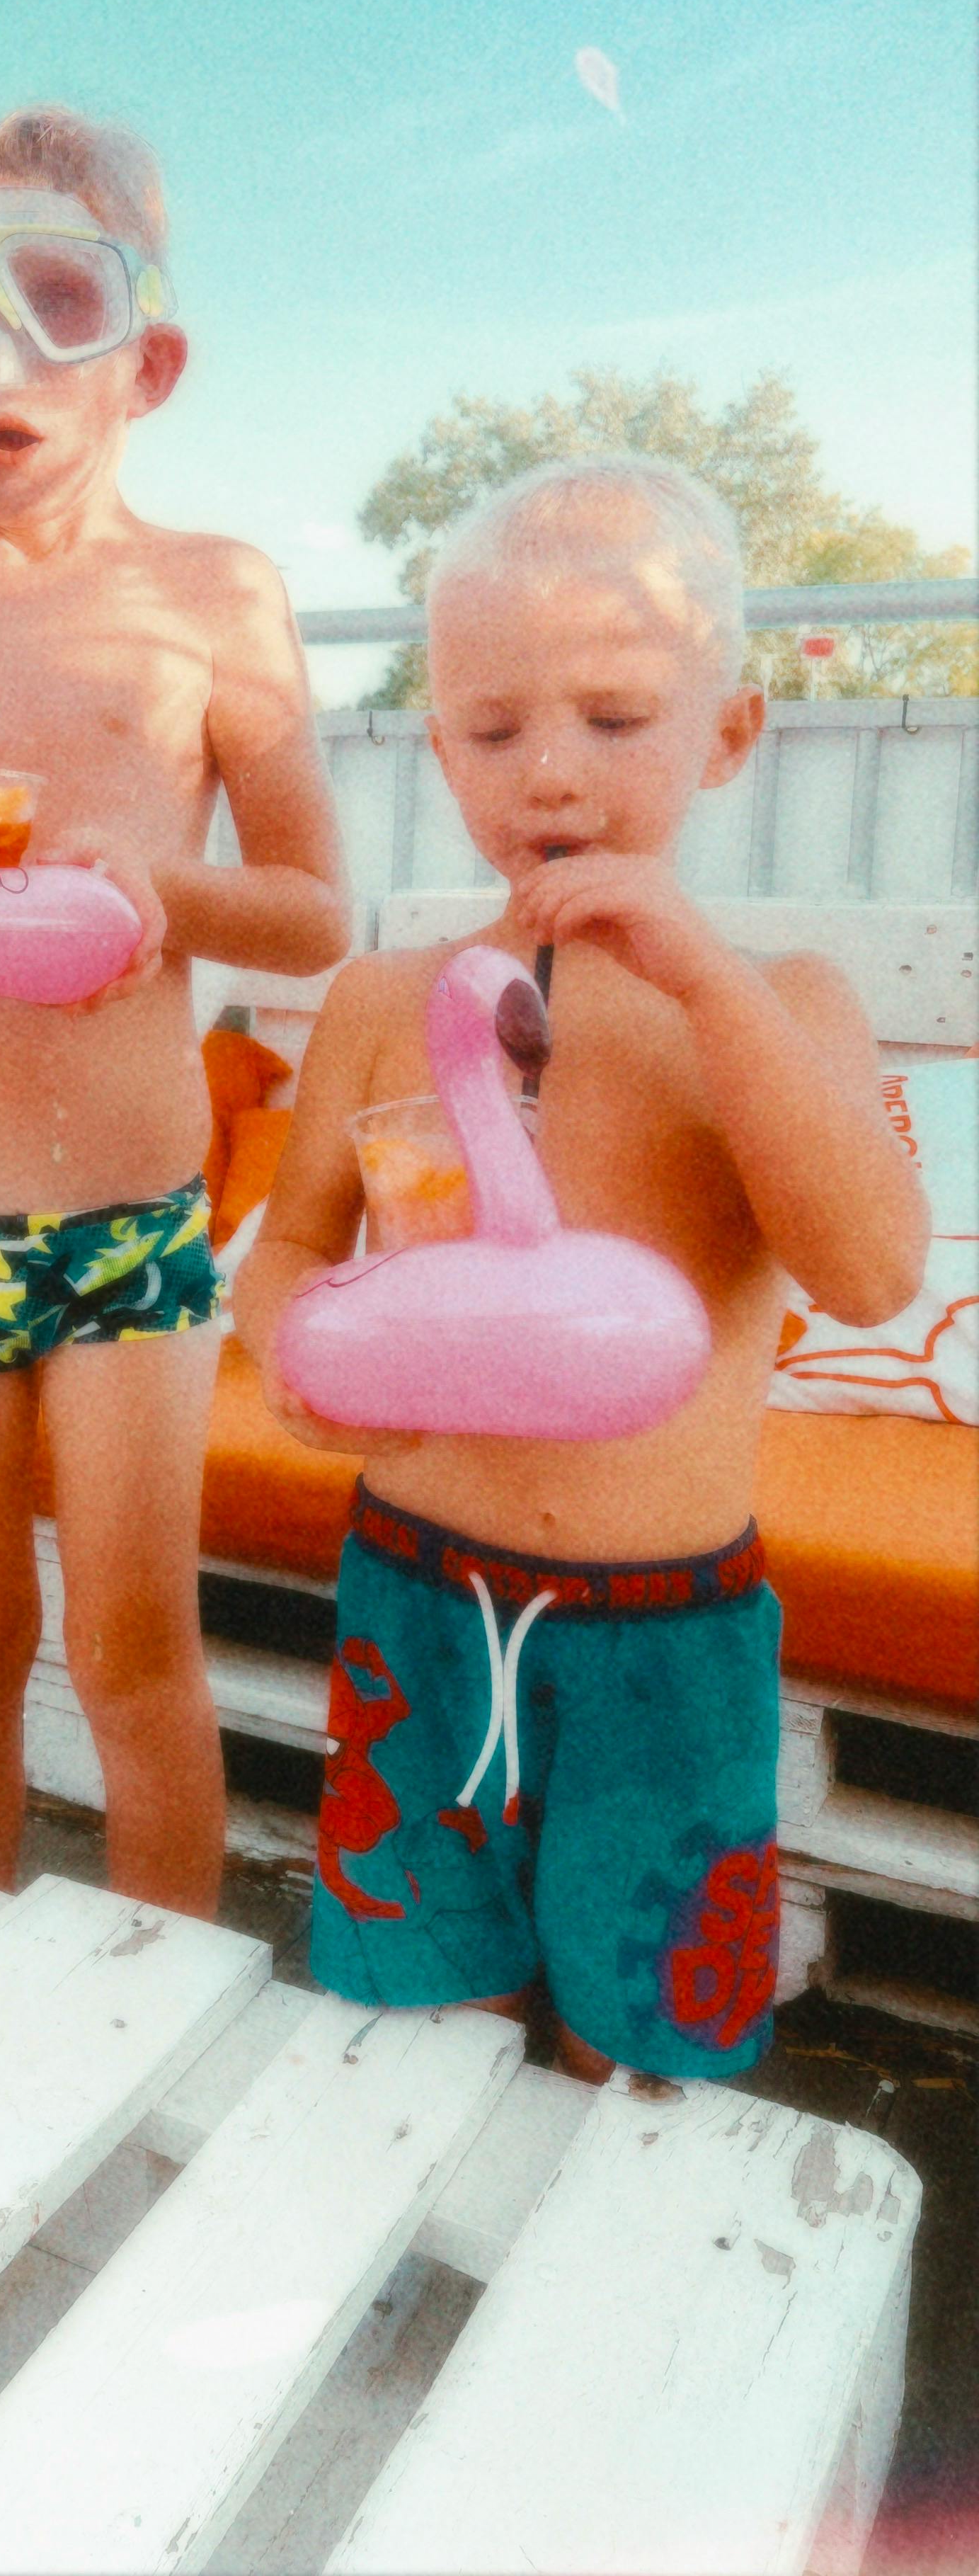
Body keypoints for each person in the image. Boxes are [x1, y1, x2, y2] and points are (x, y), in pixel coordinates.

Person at [235, 457, 927, 2078]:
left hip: (669, 1638)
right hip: (412, 1595)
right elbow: (286, 1254)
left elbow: (872, 1270)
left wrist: (704, 984)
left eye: (615, 720)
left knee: (640, 2056)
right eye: (494, 729)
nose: (551, 773)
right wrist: (294, 1361)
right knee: (418, 2025)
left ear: (730, 735)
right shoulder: (382, 998)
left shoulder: (785, 1006)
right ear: (437, 747)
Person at [0, 108, 350, 1913]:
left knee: (128, 1649)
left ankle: (154, 2006)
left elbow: (317, 911)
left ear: (143, 361)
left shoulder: (213, 594)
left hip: (132, 1222)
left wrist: (152, 886)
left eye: (52, 298)